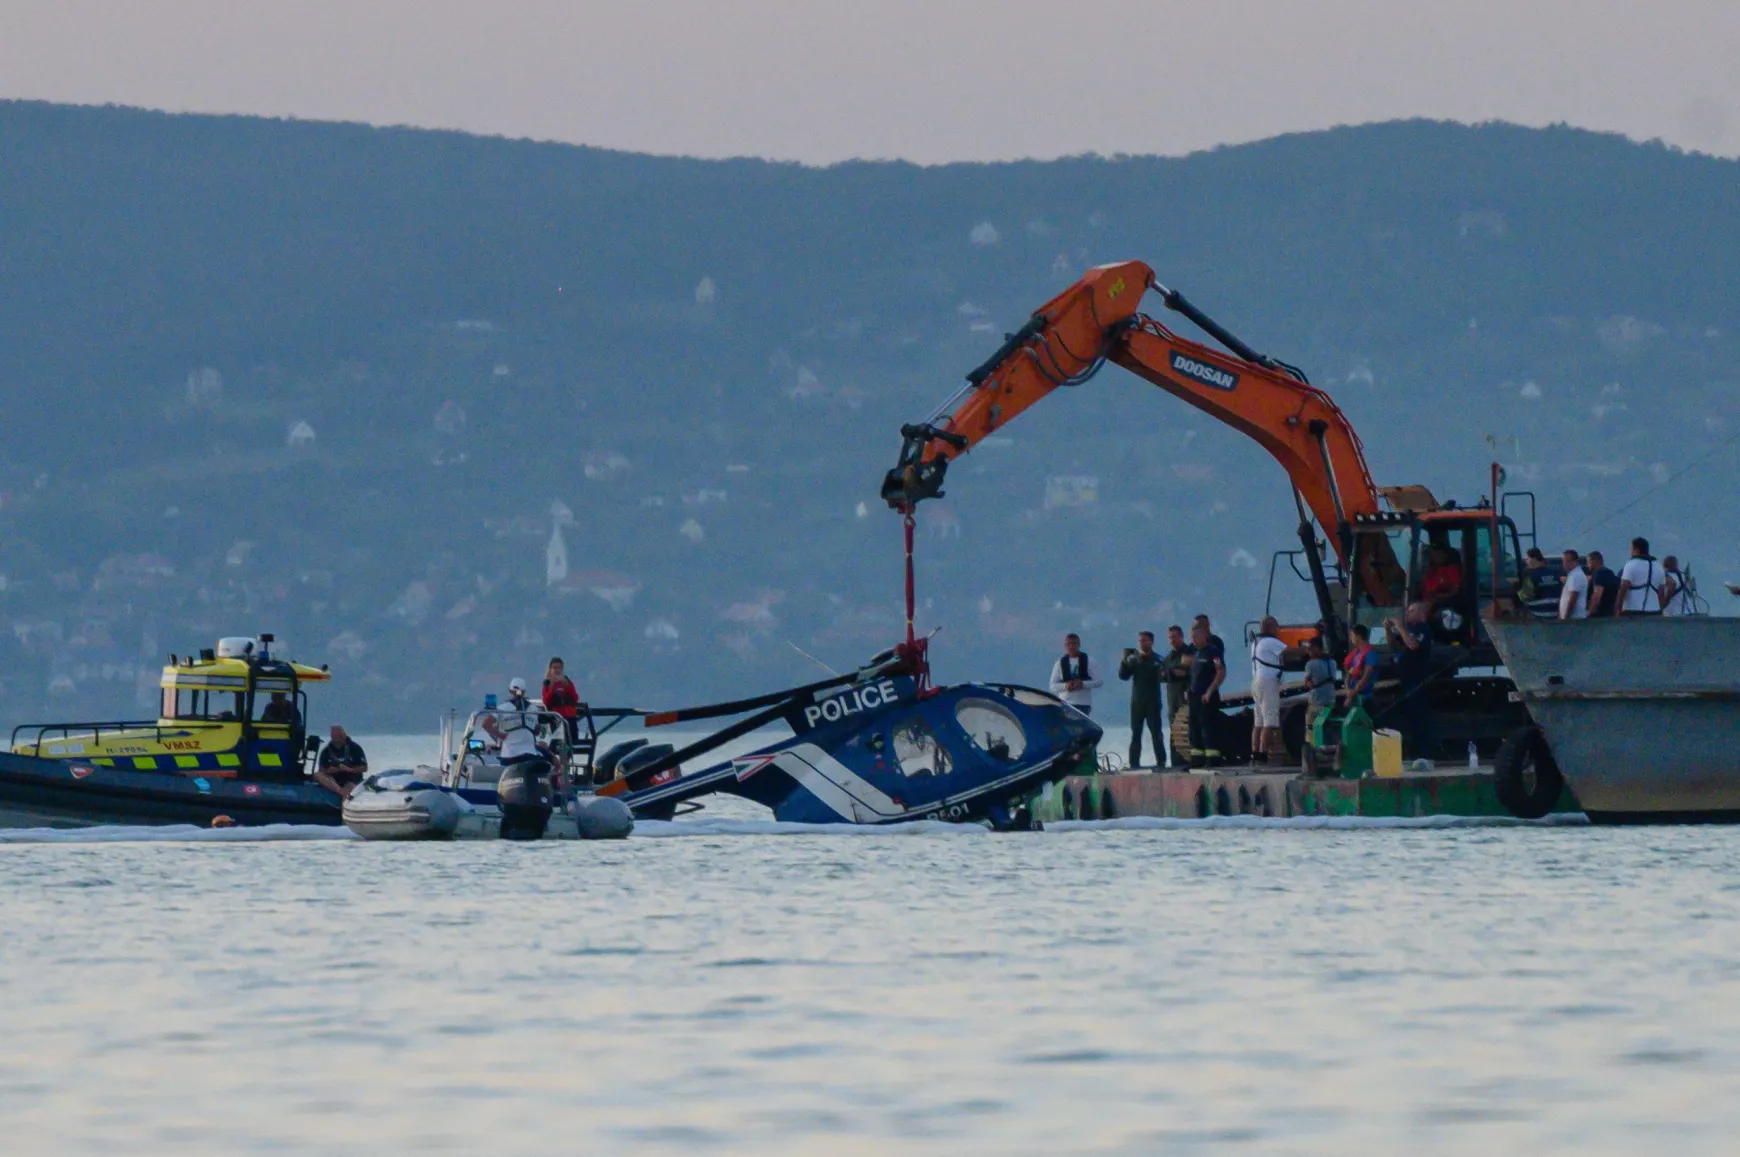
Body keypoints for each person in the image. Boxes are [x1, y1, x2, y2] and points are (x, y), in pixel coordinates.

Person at [1385, 601, 1435, 761]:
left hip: (1417, 681)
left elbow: (1413, 644)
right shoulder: (1410, 630)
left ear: (1421, 613)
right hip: (1405, 680)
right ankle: (1411, 751)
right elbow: (1394, 644)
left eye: (1412, 611)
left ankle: (1423, 753)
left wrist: (1400, 626)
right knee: (1406, 717)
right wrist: (1388, 630)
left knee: (1418, 717)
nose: (1408, 614)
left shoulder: (1422, 629)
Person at [1118, 631, 1166, 768]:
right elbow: (1123, 676)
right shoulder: (1134, 660)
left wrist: (1144, 662)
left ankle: (1161, 762)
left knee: (1156, 733)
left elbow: (1163, 675)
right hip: (1137, 702)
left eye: (1144, 640)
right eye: (1140, 640)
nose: (1141, 643)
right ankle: (1134, 763)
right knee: (1136, 734)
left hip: (1153, 702)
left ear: (1151, 642)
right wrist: (1125, 662)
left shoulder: (1158, 659)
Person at [1185, 620, 1226, 768]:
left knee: (1207, 727)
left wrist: (1210, 691)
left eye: (1195, 637)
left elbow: (1220, 671)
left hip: (1207, 698)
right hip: (1194, 697)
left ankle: (1213, 759)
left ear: (1203, 636)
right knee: (1194, 729)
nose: (1192, 641)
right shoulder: (1197, 654)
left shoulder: (1214, 652)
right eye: (1191, 637)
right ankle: (1197, 759)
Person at [1248, 616, 1287, 767]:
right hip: (1268, 682)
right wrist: (1307, 648)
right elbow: (1288, 650)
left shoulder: (1256, 643)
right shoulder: (1271, 641)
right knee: (1269, 721)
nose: (1278, 630)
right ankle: (1263, 753)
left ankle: (1255, 752)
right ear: (1270, 627)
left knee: (1258, 722)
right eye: (1277, 627)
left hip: (1256, 682)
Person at [1159, 625, 1196, 766]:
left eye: (1175, 637)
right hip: (1172, 699)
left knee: (1187, 730)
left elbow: (1185, 671)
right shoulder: (1168, 657)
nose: (1172, 640)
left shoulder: (1189, 652)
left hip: (1186, 698)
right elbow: (1162, 675)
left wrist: (1173, 673)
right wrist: (1172, 673)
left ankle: (1190, 760)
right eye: (1170, 637)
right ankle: (1175, 762)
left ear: (1181, 637)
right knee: (1174, 732)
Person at [1048, 633, 1101, 716]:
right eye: (1068, 644)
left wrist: (1083, 684)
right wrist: (1065, 686)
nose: (1071, 646)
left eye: (1073, 643)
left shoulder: (1090, 661)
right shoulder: (1059, 663)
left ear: (1079, 644)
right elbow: (1052, 686)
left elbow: (1098, 682)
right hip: (1065, 704)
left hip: (1083, 705)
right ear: (1065, 646)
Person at [314, 725, 368, 799]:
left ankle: (345, 799)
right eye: (334, 736)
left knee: (350, 787)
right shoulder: (326, 751)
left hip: (352, 779)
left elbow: (364, 768)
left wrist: (350, 769)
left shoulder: (356, 748)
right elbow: (322, 770)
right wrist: (333, 770)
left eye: (339, 736)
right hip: (334, 780)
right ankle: (340, 791)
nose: (337, 738)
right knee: (317, 775)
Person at [1301, 637, 1338, 741]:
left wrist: (1308, 683)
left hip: (1317, 702)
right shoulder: (1332, 662)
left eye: (1310, 648)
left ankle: (1311, 746)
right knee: (1327, 726)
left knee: (1310, 726)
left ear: (1317, 648)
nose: (1308, 651)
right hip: (1330, 700)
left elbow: (1307, 683)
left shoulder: (1310, 664)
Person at [1617, 536, 1664, 616]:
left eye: (1631, 548)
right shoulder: (1658, 566)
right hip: (1655, 611)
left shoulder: (1631, 564)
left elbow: (1623, 588)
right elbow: (1661, 592)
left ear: (1636, 549)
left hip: (1632, 610)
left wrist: (1617, 608)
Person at [542, 657, 582, 740]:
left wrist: (567, 685)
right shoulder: (547, 683)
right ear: (550, 669)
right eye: (555, 668)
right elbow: (546, 701)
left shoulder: (567, 682)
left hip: (570, 717)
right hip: (556, 718)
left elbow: (575, 698)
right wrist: (552, 686)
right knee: (559, 742)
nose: (557, 670)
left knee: (573, 740)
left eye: (559, 668)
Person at [1341, 624, 1379, 706]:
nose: (1350, 638)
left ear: (1358, 636)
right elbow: (1350, 672)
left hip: (1363, 696)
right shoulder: (1356, 654)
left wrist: (1352, 694)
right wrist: (1348, 689)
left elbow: (1366, 677)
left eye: (1352, 635)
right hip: (1353, 694)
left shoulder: (1370, 654)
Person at [1523, 547, 1563, 619]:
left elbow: (1524, 598)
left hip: (1538, 617)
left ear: (1534, 559)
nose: (1526, 561)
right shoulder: (1555, 573)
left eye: (1527, 559)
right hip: (1556, 616)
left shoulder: (1530, 577)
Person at [1585, 551, 1620, 618]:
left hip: (1599, 614)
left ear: (1594, 561)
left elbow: (1597, 595)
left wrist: (1589, 612)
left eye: (1588, 562)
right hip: (1610, 612)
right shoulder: (1610, 573)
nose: (1587, 565)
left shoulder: (1598, 573)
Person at [1558, 549, 1589, 620]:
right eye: (1564, 561)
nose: (1565, 564)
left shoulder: (1576, 575)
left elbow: (1573, 597)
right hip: (1570, 618)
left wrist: (1566, 616)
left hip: (1574, 618)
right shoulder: (1571, 575)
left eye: (1568, 561)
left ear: (1575, 561)